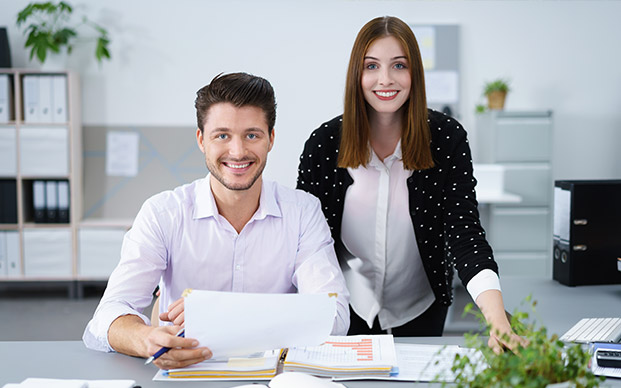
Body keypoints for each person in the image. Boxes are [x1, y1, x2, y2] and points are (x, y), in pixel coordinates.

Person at [83, 72, 350, 369]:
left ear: (271, 139)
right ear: (201, 139)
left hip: (274, 378)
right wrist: (146, 338)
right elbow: (107, 316)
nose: (237, 152)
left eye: (252, 135)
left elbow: (334, 316)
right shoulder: (163, 213)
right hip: (186, 374)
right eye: (222, 135)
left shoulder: (302, 212)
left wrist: (227, 313)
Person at [296, 16, 523, 352]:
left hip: (421, 307)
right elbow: (303, 242)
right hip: (342, 309)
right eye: (371, 66)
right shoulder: (325, 143)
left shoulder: (446, 138)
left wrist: (497, 320)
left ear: (414, 72)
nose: (385, 79)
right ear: (356, 75)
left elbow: (465, 234)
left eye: (398, 65)